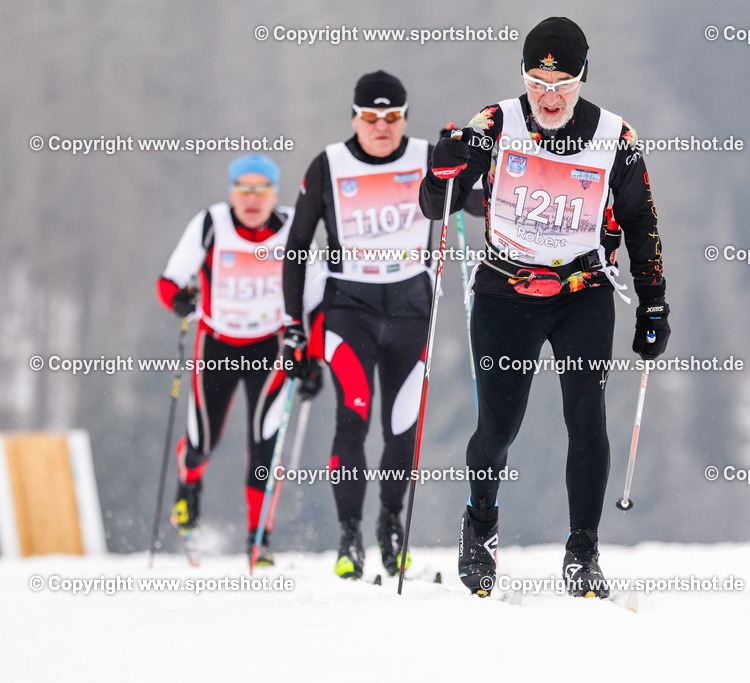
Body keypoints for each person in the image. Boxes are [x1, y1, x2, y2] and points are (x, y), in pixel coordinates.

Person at [419, 17, 669, 598]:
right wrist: (441, 170)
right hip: (507, 293)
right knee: (497, 429)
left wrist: (653, 303)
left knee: (586, 420)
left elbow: (641, 222)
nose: (548, 96)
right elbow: (438, 206)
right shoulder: (495, 123)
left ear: (582, 77)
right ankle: (480, 525)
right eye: (536, 82)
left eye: (561, 83)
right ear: (523, 77)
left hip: (583, 294)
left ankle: (583, 551)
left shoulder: (616, 137)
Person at [281, 71, 437, 580]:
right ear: (355, 117)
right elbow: (297, 249)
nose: (381, 127)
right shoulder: (329, 165)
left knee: (403, 428)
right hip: (350, 311)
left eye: (392, 118)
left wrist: (473, 161)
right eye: (371, 118)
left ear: (404, 118)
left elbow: (476, 202)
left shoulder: (427, 158)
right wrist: (292, 326)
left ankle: (389, 524)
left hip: (413, 310)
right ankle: (349, 535)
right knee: (354, 415)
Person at [157, 154, 325, 566]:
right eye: (244, 190)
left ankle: (259, 539)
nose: (252, 200)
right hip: (216, 344)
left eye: (261, 190)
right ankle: (189, 481)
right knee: (201, 443)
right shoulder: (211, 224)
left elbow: (318, 300)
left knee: (266, 444)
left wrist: (313, 359)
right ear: (232, 192)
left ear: (275, 193)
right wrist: (179, 301)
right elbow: (169, 282)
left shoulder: (293, 228)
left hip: (270, 347)